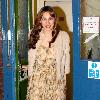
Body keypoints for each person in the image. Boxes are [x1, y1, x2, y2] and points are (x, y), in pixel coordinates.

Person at [26, 6, 70, 100]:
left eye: (50, 18)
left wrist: (63, 85)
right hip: (37, 83)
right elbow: (31, 59)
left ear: (55, 20)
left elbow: (66, 63)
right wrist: (30, 80)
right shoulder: (33, 35)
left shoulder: (63, 36)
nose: (47, 22)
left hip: (55, 82)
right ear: (40, 21)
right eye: (44, 19)